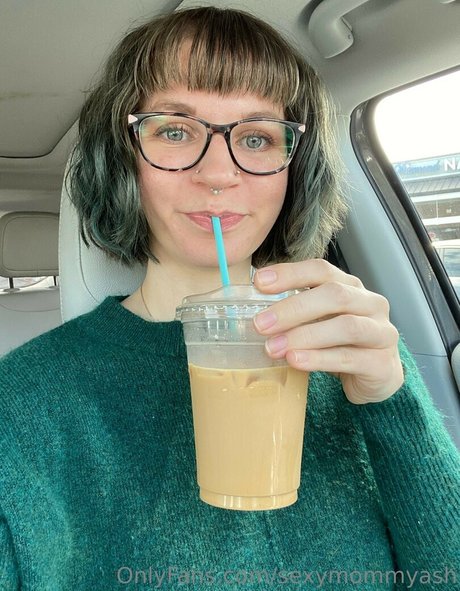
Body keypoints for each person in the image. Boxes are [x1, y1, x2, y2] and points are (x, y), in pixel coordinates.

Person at [0, 6, 459, 590]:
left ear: (295, 168)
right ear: (121, 158)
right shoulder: (25, 402)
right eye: (174, 130)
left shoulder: (353, 355)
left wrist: (392, 403)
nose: (218, 173)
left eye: (257, 137)